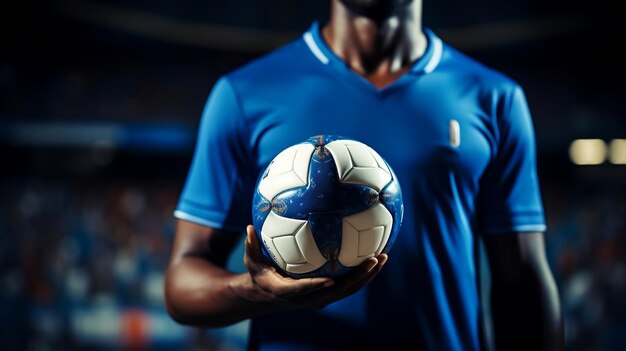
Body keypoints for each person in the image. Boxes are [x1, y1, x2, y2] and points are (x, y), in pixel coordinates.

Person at [164, 0, 563, 349]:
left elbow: (522, 284)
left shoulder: (494, 98)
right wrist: (255, 293)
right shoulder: (243, 93)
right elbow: (182, 283)